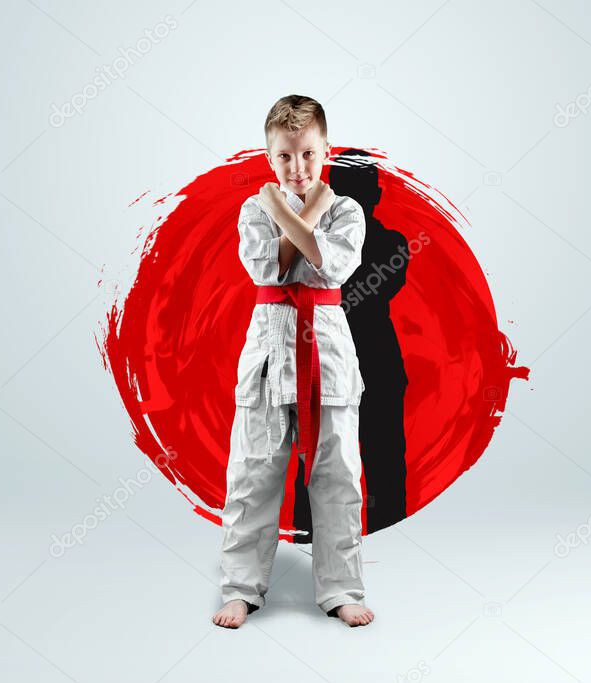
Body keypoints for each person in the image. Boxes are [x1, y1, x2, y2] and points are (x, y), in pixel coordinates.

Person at [213, 94, 374, 628]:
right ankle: (240, 587)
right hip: (267, 358)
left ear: (325, 149)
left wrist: (284, 210)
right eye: (285, 157)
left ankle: (341, 588)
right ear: (269, 158)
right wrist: (300, 212)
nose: (298, 167)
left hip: (327, 358)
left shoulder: (347, 210)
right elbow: (270, 269)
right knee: (253, 474)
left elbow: (330, 267)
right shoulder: (252, 210)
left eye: (307, 154)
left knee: (338, 477)